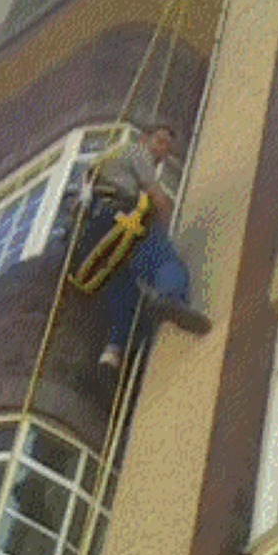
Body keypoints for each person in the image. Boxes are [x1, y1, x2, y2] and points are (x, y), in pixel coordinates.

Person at [75, 124, 211, 375]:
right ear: (144, 138)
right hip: (121, 217)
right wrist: (168, 224)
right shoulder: (136, 152)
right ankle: (171, 298)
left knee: (124, 289)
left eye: (167, 149)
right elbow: (156, 195)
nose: (161, 152)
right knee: (164, 261)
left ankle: (112, 353)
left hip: (96, 229)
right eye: (159, 142)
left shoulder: (105, 160)